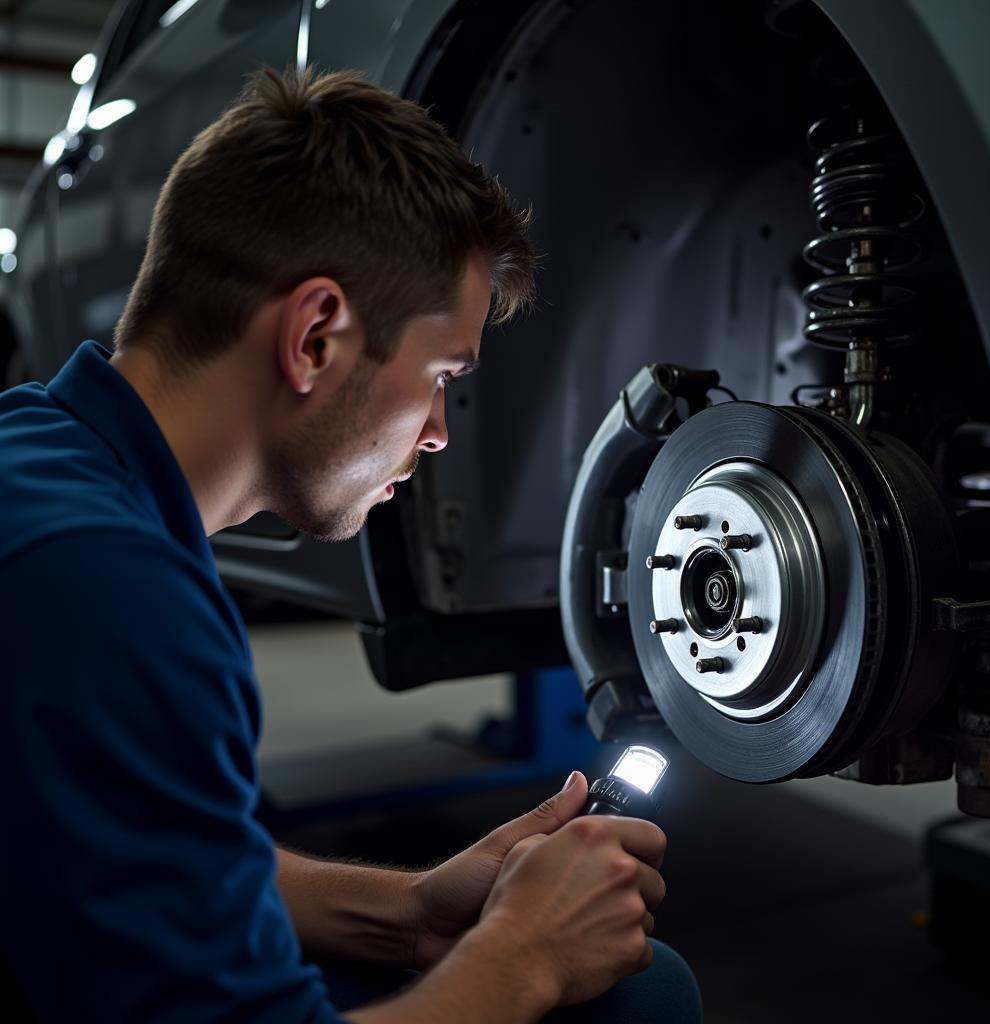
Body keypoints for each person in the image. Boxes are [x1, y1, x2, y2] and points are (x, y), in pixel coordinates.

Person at [0, 67, 702, 1023]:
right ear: (317, 336)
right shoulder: (113, 591)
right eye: (441, 373)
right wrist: (520, 958)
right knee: (640, 1000)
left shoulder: (42, 453)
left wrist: (406, 915)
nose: (441, 430)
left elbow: (143, 850)